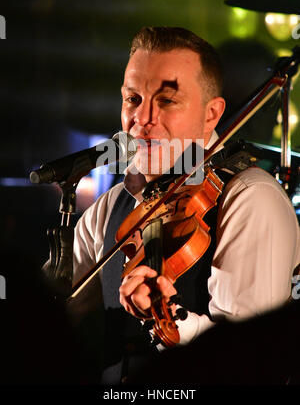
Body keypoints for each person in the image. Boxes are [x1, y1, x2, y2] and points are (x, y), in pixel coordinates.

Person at [70, 26, 300, 385]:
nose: (142, 120)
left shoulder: (250, 198)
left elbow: (250, 363)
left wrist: (171, 323)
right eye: (133, 99)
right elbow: (47, 312)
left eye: (166, 101)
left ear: (212, 115)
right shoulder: (111, 205)